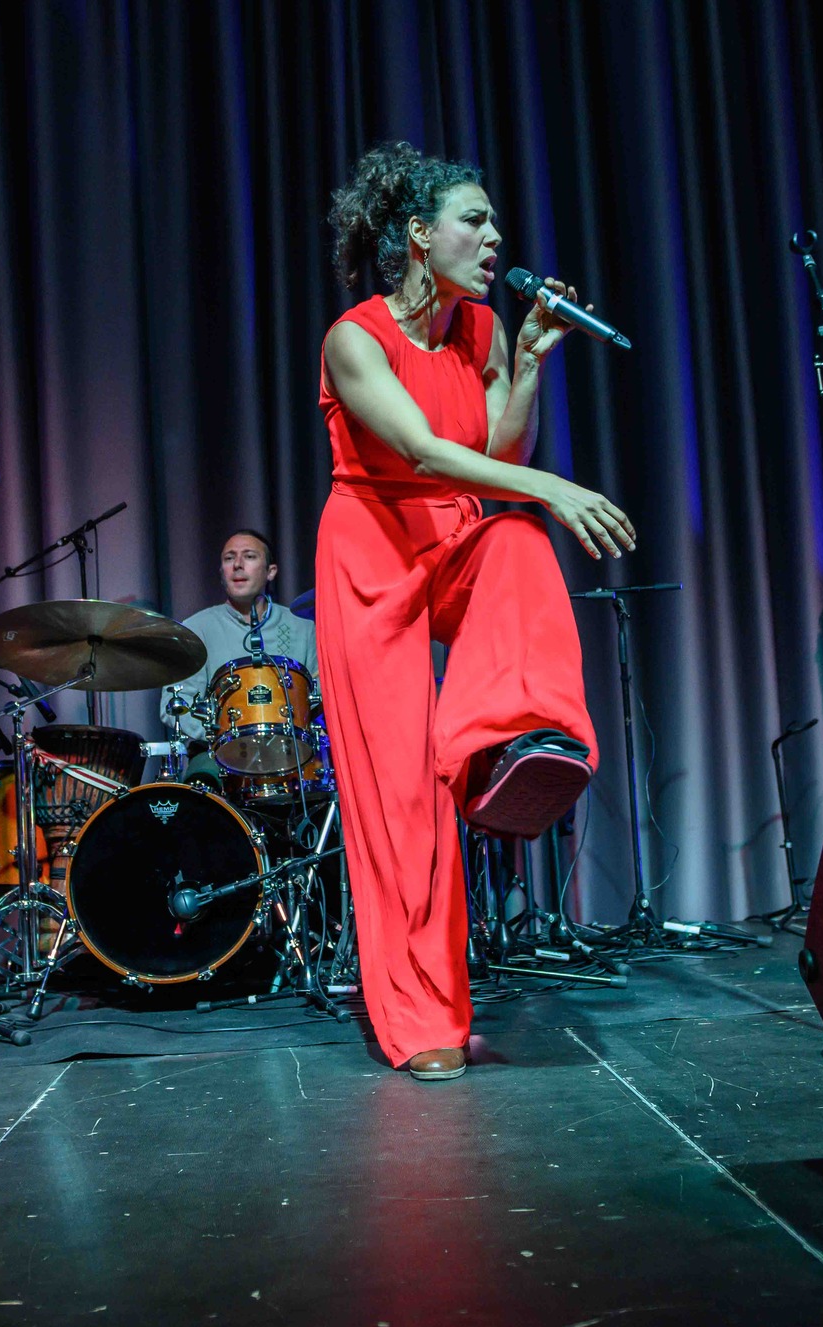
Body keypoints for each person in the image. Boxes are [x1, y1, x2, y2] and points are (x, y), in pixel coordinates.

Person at [317, 142, 635, 1081]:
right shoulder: (355, 338)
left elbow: (494, 451)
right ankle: (423, 1019)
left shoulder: (485, 329)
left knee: (519, 543)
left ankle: (507, 744)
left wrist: (526, 364)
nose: (496, 237)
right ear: (420, 235)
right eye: (475, 220)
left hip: (452, 536)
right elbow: (421, 451)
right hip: (373, 554)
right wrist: (553, 485)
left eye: (494, 222)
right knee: (402, 803)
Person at [159, 528, 319, 749]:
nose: (237, 565)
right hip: (218, 754)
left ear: (271, 571)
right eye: (229, 558)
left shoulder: (303, 626)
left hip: (292, 751)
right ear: (222, 571)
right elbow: (175, 704)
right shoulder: (195, 629)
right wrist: (222, 735)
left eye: (249, 556)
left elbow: (321, 696)